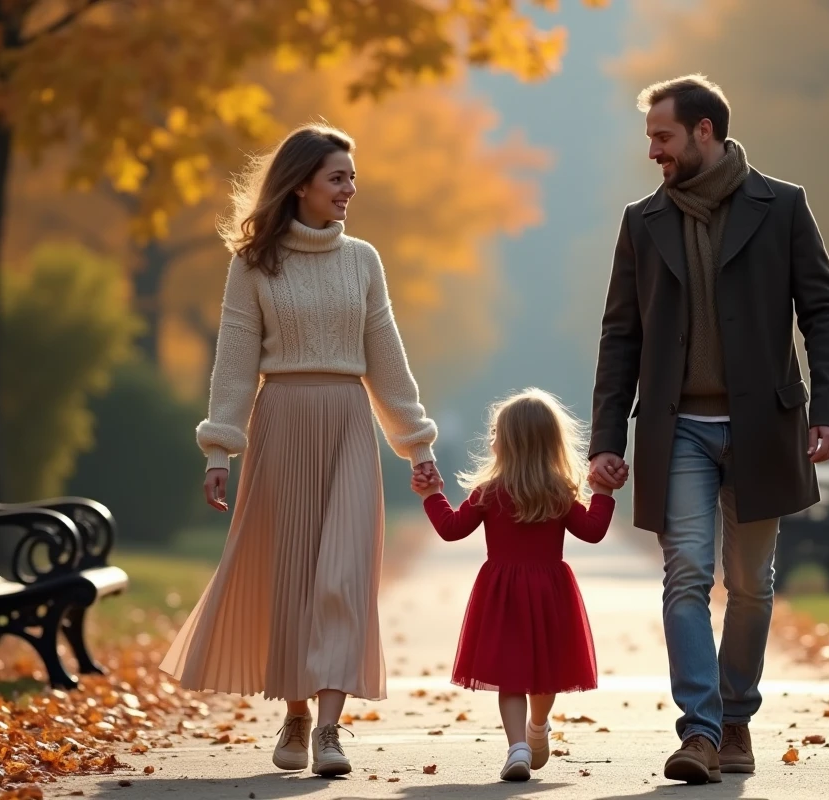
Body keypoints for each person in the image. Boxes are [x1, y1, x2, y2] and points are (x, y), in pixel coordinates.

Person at [588, 74, 829, 784]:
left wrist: (828, 409)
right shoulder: (643, 222)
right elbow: (620, 336)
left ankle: (737, 718)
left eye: (663, 137)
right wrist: (606, 439)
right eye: (650, 139)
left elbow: (822, 312)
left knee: (752, 583)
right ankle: (699, 731)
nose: (654, 152)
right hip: (681, 433)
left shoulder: (783, 207)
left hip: (765, 428)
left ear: (704, 132)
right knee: (687, 577)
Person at [159, 123, 440, 778]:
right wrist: (219, 450)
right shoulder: (254, 263)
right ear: (302, 183)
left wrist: (415, 442)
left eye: (352, 177)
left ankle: (333, 730)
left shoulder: (363, 260)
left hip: (347, 424)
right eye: (338, 177)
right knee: (291, 577)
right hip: (281, 421)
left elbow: (386, 360)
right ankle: (295, 712)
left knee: (344, 574)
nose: (350, 189)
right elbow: (232, 366)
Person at [411, 389, 616, 782]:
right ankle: (536, 729)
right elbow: (593, 532)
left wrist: (432, 495)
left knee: (511, 675)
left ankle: (518, 745)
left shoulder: (489, 491)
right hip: (550, 592)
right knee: (546, 671)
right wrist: (603, 493)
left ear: (504, 441)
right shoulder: (559, 491)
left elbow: (452, 529)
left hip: (502, 594)